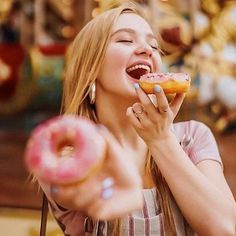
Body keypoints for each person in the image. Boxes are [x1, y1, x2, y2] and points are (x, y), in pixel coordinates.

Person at [37, 2, 236, 236]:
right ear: (90, 69)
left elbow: (226, 229)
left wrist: (161, 140)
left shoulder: (192, 137)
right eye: (125, 40)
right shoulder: (70, 154)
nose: (147, 49)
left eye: (153, 45)